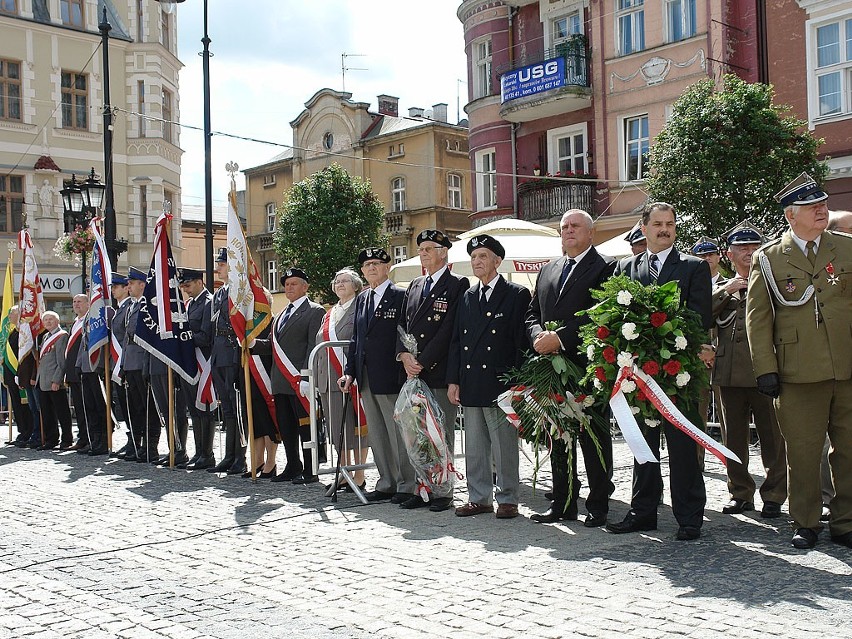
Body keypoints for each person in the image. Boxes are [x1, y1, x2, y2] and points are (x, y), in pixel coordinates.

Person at [746, 173, 852, 550]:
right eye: (812, 207)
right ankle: (806, 521)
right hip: (797, 372)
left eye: (822, 204)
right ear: (791, 215)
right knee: (804, 453)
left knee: (849, 450)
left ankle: (845, 522)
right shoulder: (770, 257)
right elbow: (758, 319)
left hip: (847, 366)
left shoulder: (846, 247)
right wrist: (766, 369)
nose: (821, 210)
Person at [606, 201, 712, 541]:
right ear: (644, 227)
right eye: (658, 224)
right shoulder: (625, 267)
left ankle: (689, 516)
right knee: (642, 445)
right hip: (637, 375)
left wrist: (666, 343)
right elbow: (614, 316)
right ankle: (643, 512)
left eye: (670, 224)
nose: (665, 229)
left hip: (676, 371)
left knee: (682, 444)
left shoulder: (694, 267)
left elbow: (698, 318)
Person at [527, 209, 616, 526]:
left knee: (593, 437)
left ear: (591, 232)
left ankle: (598, 504)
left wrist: (561, 338)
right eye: (564, 227)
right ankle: (563, 503)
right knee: (559, 436)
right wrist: (538, 336)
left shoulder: (606, 266)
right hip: (550, 367)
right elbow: (532, 312)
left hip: (589, 367)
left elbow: (603, 313)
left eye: (575, 226)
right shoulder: (548, 269)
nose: (568, 231)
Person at [448, 234, 531, 519]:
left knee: (503, 445)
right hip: (471, 381)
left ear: (497, 261)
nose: (477, 262)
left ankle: (508, 497)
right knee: (474, 446)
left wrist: (520, 382)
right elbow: (457, 341)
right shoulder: (468, 297)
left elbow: (521, 342)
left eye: (483, 256)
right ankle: (478, 497)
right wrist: (454, 380)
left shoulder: (516, 294)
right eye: (473, 257)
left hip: (501, 383)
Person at [711, 220, 786, 518]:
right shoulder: (719, 289)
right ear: (729, 255)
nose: (748, 252)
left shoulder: (773, 284)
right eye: (742, 248)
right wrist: (725, 292)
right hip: (728, 375)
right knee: (733, 440)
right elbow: (699, 318)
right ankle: (740, 493)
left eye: (754, 247)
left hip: (764, 372)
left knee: (773, 438)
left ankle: (774, 495)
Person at [396, 229, 469, 512]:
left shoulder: (457, 284)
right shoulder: (414, 285)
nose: (423, 254)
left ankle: (442, 490)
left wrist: (423, 360)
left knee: (440, 432)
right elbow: (401, 327)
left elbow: (449, 329)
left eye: (429, 249)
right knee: (417, 433)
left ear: (443, 252)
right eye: (421, 249)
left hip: (436, 371)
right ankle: (422, 486)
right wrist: (403, 355)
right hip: (414, 373)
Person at [341, 248, 412, 503]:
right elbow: (357, 338)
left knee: (398, 432)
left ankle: (407, 484)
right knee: (378, 433)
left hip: (391, 373)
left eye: (377, 263)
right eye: (367, 265)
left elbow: (405, 336)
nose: (372, 268)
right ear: (362, 271)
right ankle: (386, 482)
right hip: (366, 375)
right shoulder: (362, 299)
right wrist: (349, 371)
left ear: (387, 267)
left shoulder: (400, 296)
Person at [252, 267, 324, 484]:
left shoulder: (315, 311)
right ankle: (293, 465)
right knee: (286, 427)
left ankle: (311, 469)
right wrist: (253, 343)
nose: (289, 287)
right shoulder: (282, 313)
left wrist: (306, 377)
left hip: (299, 380)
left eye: (294, 283)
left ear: (305, 287)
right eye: (286, 284)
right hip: (281, 380)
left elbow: (313, 346)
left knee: (305, 426)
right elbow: (274, 347)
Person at [316, 268, 368, 491]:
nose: (339, 284)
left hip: (351, 378)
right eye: (336, 281)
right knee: (338, 428)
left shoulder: (361, 307)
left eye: (345, 281)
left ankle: (359, 473)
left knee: (359, 427)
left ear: (356, 285)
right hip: (328, 379)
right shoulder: (330, 312)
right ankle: (344, 471)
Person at [208, 248, 246, 475]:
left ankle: (239, 457)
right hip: (219, 352)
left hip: (232, 351)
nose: (218, 267)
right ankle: (229, 456)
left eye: (222, 264)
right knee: (228, 409)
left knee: (237, 406)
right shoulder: (219, 293)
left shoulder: (238, 290)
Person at [177, 268, 217, 470]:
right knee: (194, 408)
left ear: (200, 282)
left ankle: (207, 453)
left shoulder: (208, 302)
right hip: (190, 361)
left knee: (205, 408)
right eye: (183, 286)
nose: (185, 290)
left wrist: (183, 337)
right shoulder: (189, 304)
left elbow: (206, 335)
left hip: (204, 360)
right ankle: (199, 451)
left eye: (188, 285)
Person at [122, 266, 161, 463]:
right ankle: (138, 444)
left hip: (142, 362)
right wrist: (122, 365)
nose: (128, 286)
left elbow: (149, 338)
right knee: (136, 407)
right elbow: (125, 339)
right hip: (130, 362)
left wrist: (146, 364)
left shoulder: (148, 305)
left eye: (131, 283)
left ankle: (150, 446)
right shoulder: (131, 306)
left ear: (142, 285)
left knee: (148, 407)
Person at [35, 311, 71, 449]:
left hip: (54, 381)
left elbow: (61, 361)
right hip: (43, 381)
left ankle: (67, 439)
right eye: (46, 320)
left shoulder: (61, 336)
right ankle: (51, 440)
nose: (48, 322)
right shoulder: (45, 336)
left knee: (62, 412)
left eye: (51, 319)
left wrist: (57, 380)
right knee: (47, 413)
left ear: (57, 321)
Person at [3, 307, 34, 446]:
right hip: (11, 375)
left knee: (26, 405)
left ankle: (29, 432)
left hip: (21, 373)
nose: (9, 316)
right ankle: (22, 431)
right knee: (16, 405)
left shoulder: (24, 333)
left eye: (12, 314)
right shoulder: (12, 332)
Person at [109, 273, 132, 458]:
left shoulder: (129, 308)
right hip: (119, 362)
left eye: (117, 286)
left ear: (126, 288)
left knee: (132, 405)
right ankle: (131, 439)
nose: (113, 290)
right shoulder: (119, 309)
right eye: (112, 287)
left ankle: (137, 441)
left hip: (128, 361)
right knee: (124, 405)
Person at [63, 294, 89, 451]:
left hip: (84, 369)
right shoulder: (75, 322)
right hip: (73, 371)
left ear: (88, 304)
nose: (76, 304)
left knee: (87, 407)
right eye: (74, 302)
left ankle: (89, 438)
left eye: (80, 301)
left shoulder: (88, 321)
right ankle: (82, 438)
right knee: (79, 407)